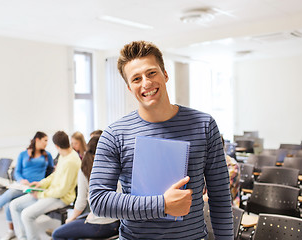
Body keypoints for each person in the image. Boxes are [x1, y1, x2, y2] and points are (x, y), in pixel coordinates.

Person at [89, 41, 234, 239]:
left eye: (151, 73)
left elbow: (221, 197)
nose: (146, 83)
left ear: (165, 74)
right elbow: (99, 201)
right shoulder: (115, 134)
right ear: (129, 88)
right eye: (136, 79)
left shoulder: (204, 125)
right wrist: (162, 205)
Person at [0, 131, 54, 240]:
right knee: (9, 202)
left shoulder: (47, 155)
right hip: (23, 185)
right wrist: (21, 180)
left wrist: (44, 183)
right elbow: (17, 172)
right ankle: (11, 231)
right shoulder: (23, 154)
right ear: (37, 140)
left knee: (11, 195)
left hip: (37, 186)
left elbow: (51, 172)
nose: (46, 143)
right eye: (45, 140)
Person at [10, 131, 81, 240]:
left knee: (27, 215)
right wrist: (40, 184)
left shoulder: (71, 161)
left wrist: (40, 195)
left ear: (56, 146)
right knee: (14, 205)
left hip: (61, 198)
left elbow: (62, 191)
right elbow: (54, 175)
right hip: (50, 192)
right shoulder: (64, 155)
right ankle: (23, 238)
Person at [52, 135, 120, 240]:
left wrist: (71, 219)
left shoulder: (85, 170)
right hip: (117, 224)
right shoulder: (116, 166)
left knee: (57, 234)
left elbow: (81, 202)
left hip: (101, 225)